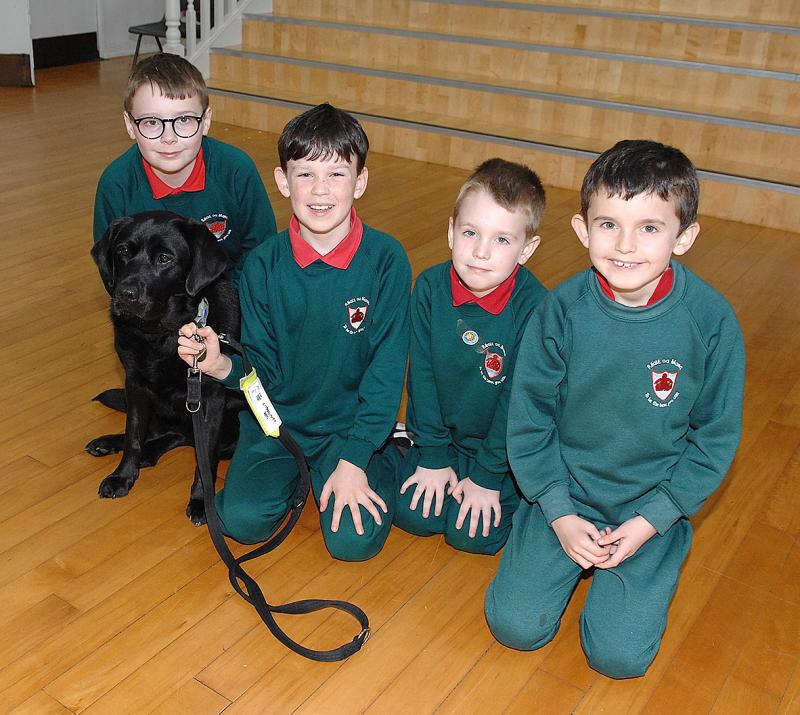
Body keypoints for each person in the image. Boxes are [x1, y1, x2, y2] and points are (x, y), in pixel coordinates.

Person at [485, 140, 745, 678]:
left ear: (685, 236)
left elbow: (712, 442)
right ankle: (549, 543)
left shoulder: (711, 322)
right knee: (514, 627)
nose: (626, 245)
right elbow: (529, 422)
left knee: (619, 659)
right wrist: (558, 511)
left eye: (650, 227)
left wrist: (653, 520)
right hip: (565, 491)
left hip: (648, 505)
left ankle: (645, 562)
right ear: (582, 230)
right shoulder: (560, 311)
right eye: (608, 224)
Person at [177, 103, 411, 561]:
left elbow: (385, 375)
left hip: (350, 429)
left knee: (352, 545)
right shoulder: (263, 264)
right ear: (283, 181)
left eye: (337, 175)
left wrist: (355, 457)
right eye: (305, 175)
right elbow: (260, 371)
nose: (320, 191)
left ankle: (390, 451)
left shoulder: (386, 259)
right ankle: (297, 478)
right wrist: (219, 362)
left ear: (360, 181)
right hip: (276, 425)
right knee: (240, 522)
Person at [393, 158, 547, 554]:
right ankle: (404, 451)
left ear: (526, 249)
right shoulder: (429, 288)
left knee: (472, 538)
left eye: (501, 240)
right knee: (415, 518)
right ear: (450, 231)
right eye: (470, 232)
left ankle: (533, 505)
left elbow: (519, 404)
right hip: (444, 440)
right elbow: (422, 380)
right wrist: (432, 457)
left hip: (503, 453)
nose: (480, 252)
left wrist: (488, 476)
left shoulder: (536, 309)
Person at [93, 53, 276, 283]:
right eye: (151, 122)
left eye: (184, 120)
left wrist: (222, 309)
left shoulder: (237, 170)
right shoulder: (116, 184)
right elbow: (112, 269)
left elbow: (260, 254)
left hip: (230, 297)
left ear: (206, 120)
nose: (168, 138)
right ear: (130, 125)